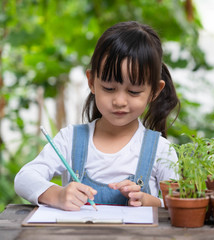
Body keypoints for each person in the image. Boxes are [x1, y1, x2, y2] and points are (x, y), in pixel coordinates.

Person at [14, 21, 180, 211]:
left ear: (154, 92)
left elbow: (180, 200)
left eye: (133, 92)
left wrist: (150, 201)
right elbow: (24, 178)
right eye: (109, 88)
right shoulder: (71, 140)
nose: (119, 101)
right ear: (92, 82)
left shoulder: (161, 150)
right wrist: (57, 195)